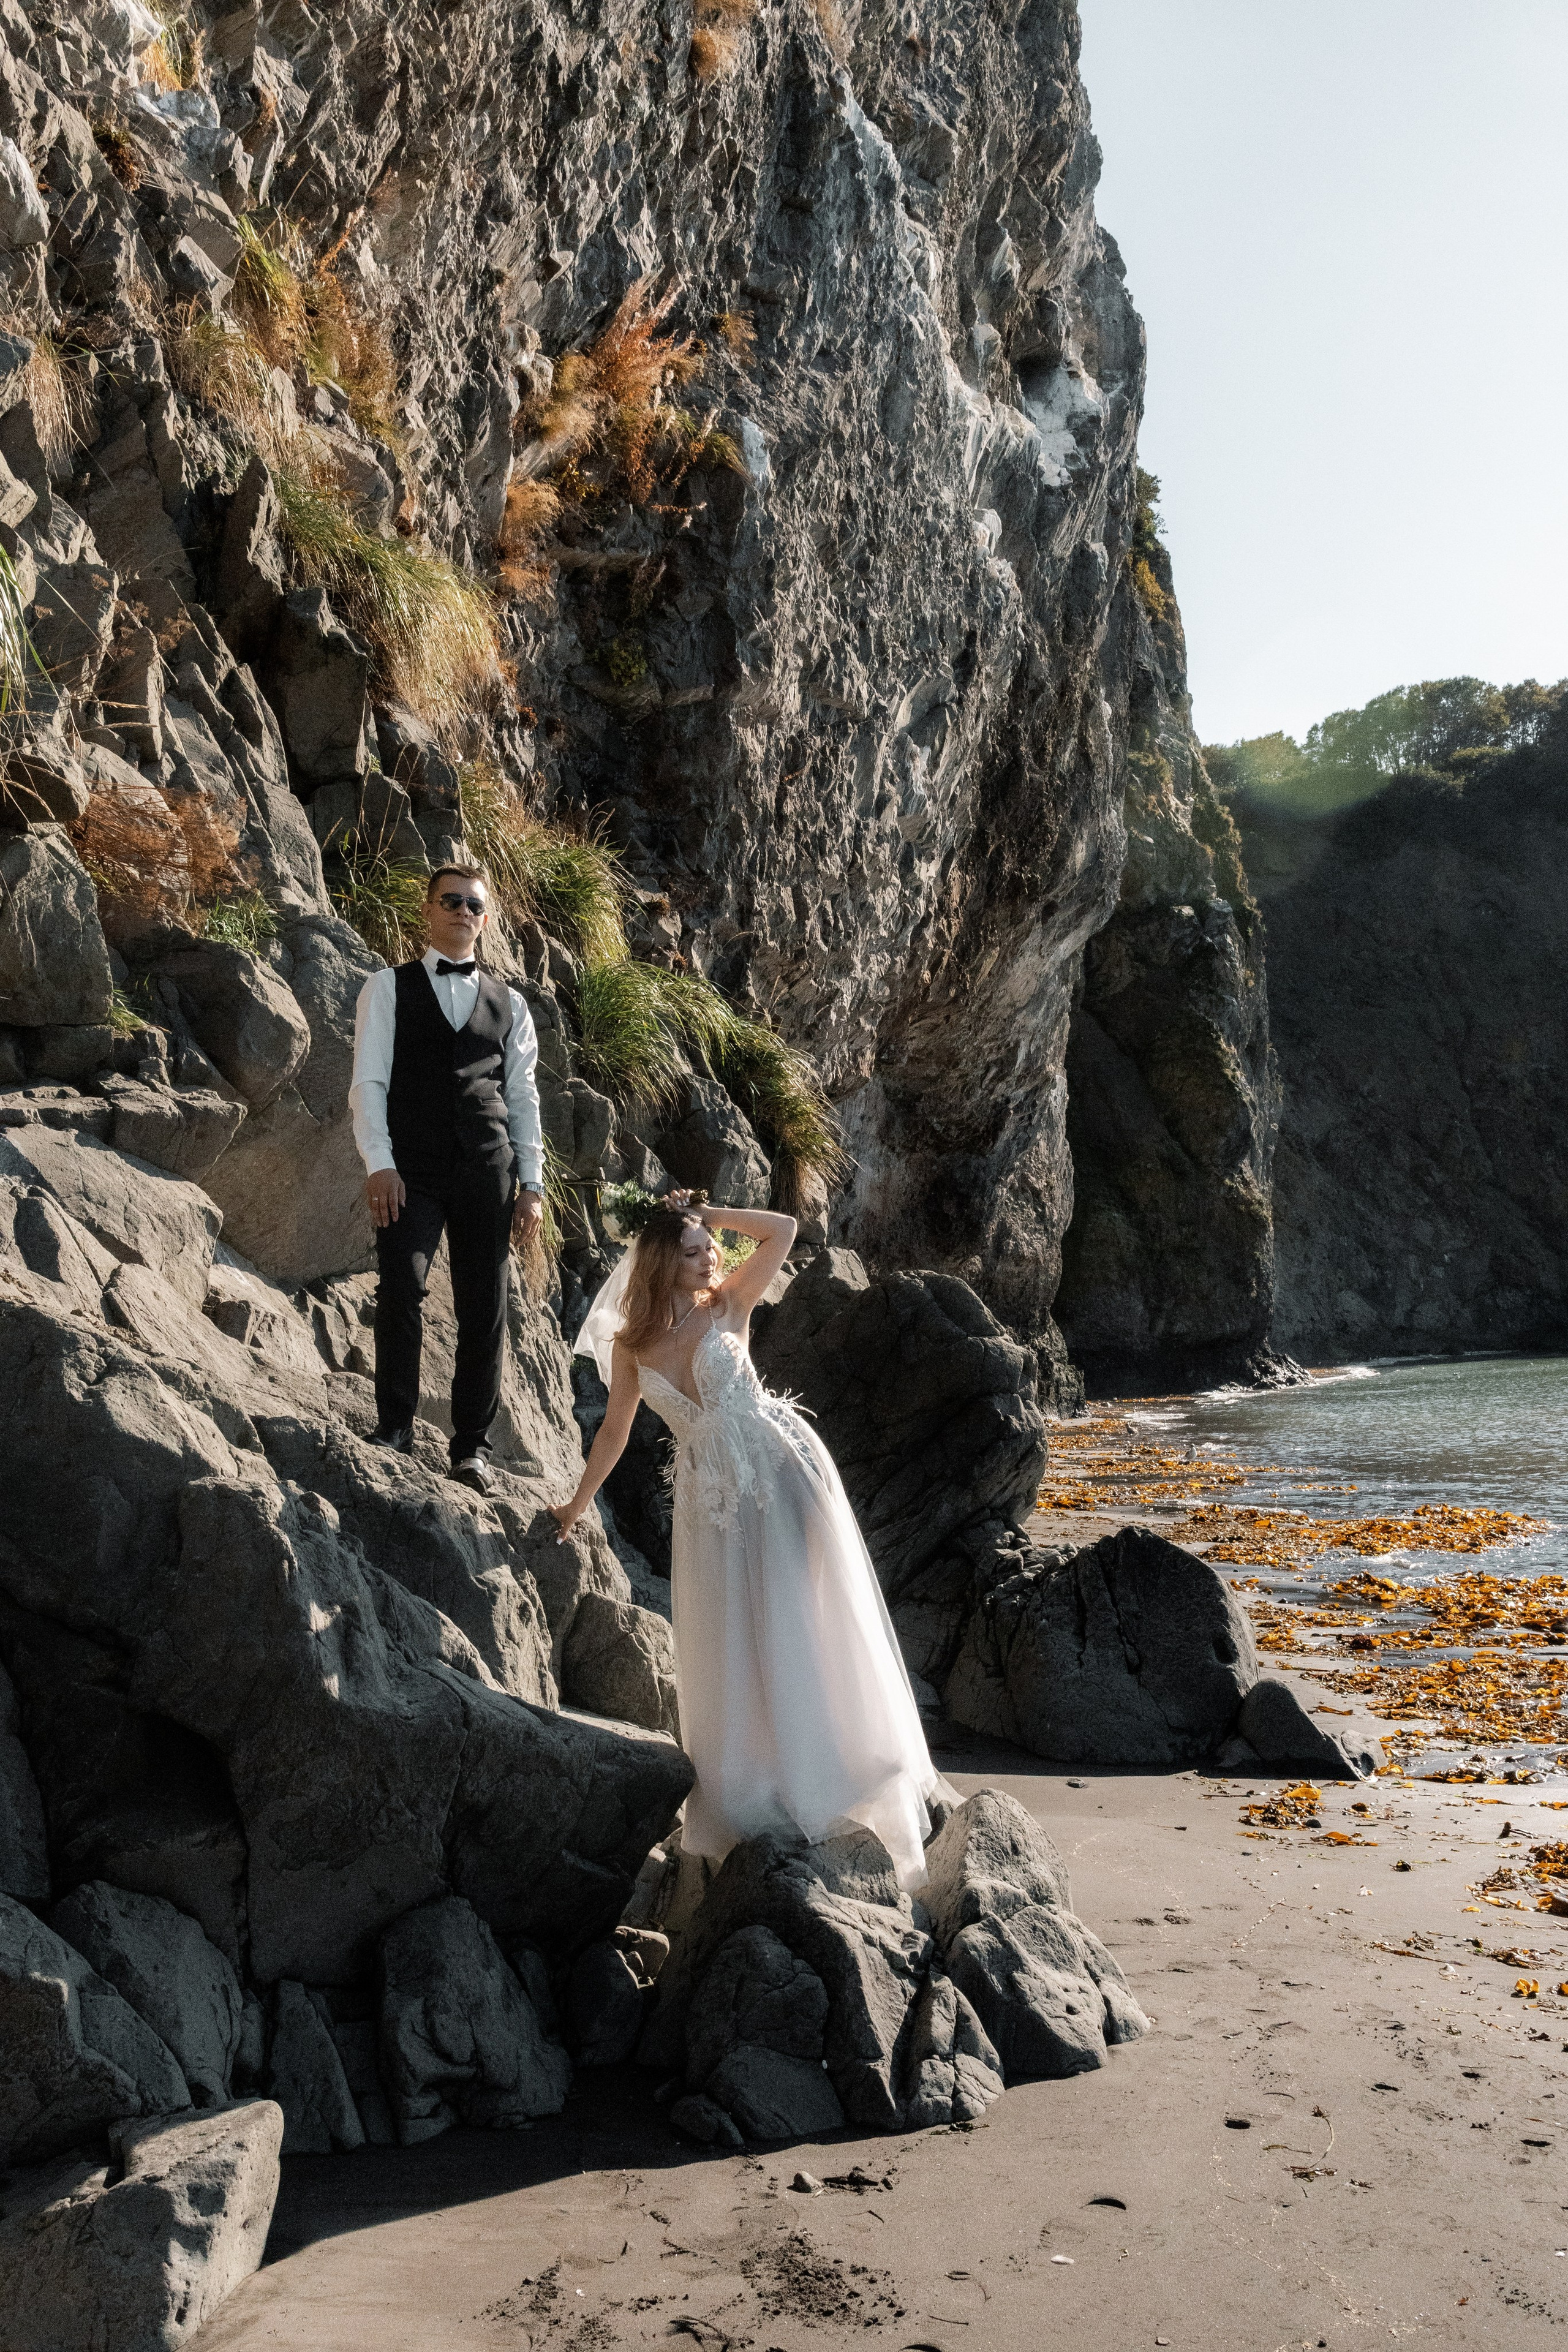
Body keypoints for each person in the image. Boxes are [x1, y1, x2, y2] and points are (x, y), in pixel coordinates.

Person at [551, 1194, 941, 1891]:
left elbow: (785, 1230)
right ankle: (758, 1782)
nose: (713, 1259)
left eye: (713, 1248)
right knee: (733, 1635)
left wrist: (714, 1213)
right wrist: (578, 1505)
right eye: (696, 1250)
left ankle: (836, 1768)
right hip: (711, 1504)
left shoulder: (728, 1304)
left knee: (801, 1615)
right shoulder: (632, 1347)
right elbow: (613, 1431)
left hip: (780, 1473)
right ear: (664, 1261)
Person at [348, 863, 545, 1494]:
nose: (462, 911)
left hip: (489, 1168)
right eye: (451, 901)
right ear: (428, 911)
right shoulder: (386, 988)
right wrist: (379, 1161)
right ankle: (396, 1426)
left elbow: (523, 1098)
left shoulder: (511, 1004)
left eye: (473, 905)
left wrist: (533, 1184)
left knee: (484, 1309)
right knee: (401, 1288)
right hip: (412, 1169)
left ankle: (471, 1451)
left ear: (485, 922)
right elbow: (369, 1082)